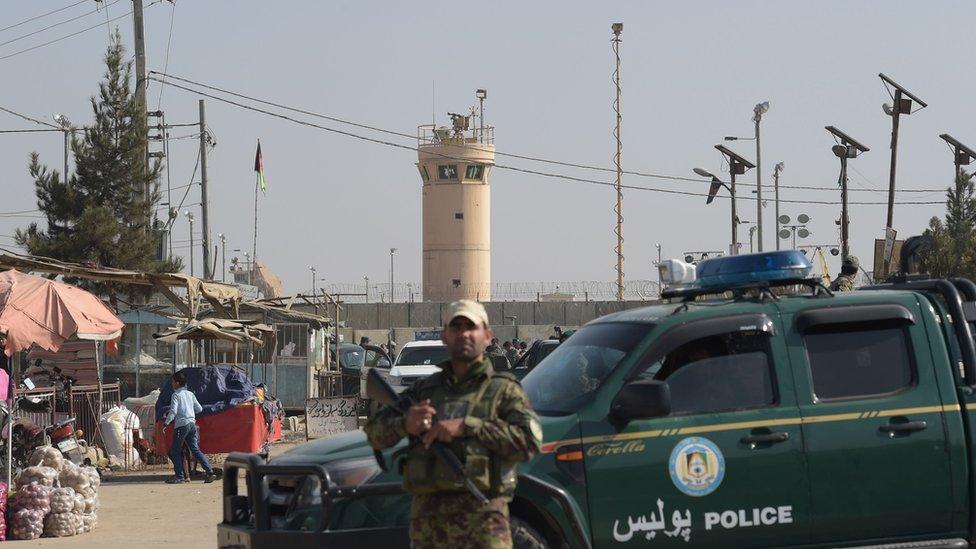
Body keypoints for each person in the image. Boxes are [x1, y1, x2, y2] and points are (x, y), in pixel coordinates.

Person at [364, 300, 542, 548]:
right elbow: (374, 434)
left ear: (487, 336)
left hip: (483, 526)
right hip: (428, 528)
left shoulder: (503, 390)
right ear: (445, 336)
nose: (464, 334)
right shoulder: (424, 390)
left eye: (471, 327)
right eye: (456, 327)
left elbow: (529, 443)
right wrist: (406, 423)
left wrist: (468, 426)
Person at [163, 371, 216, 484]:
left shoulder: (176, 395)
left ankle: (180, 476)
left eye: (173, 382)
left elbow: (173, 411)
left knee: (175, 451)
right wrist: (189, 412)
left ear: (177, 383)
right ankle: (210, 472)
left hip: (181, 425)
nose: (172, 384)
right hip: (192, 424)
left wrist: (166, 423)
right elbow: (199, 409)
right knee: (195, 449)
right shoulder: (190, 394)